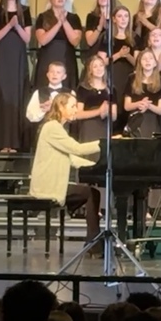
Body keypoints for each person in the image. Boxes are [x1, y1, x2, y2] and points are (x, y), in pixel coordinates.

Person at [28, 93, 102, 246]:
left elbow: (71, 158)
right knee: (90, 193)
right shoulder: (52, 128)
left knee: (91, 193)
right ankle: (93, 244)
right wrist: (104, 143)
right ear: (61, 107)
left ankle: (93, 242)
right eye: (73, 106)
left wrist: (96, 166)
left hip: (52, 183)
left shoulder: (56, 128)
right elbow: (77, 149)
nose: (76, 110)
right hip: (47, 186)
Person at [0, 0, 33, 153]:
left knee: (17, 98)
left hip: (18, 59)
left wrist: (17, 27)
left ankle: (15, 143)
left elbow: (27, 38)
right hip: (3, 58)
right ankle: (2, 142)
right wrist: (9, 25)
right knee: (3, 98)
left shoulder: (25, 11)